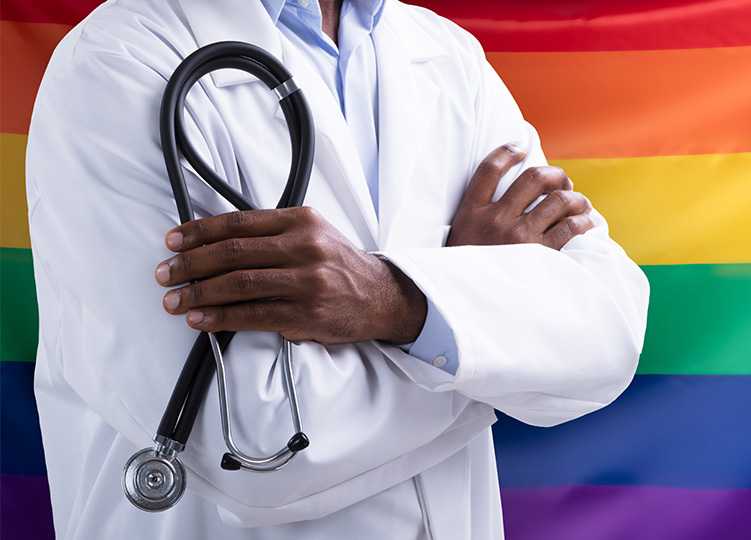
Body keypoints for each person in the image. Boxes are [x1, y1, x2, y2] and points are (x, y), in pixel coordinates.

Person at [25, 0, 649, 538]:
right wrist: (483, 347)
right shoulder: (118, 65)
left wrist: (395, 301)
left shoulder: (445, 54)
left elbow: (608, 335)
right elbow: (252, 449)